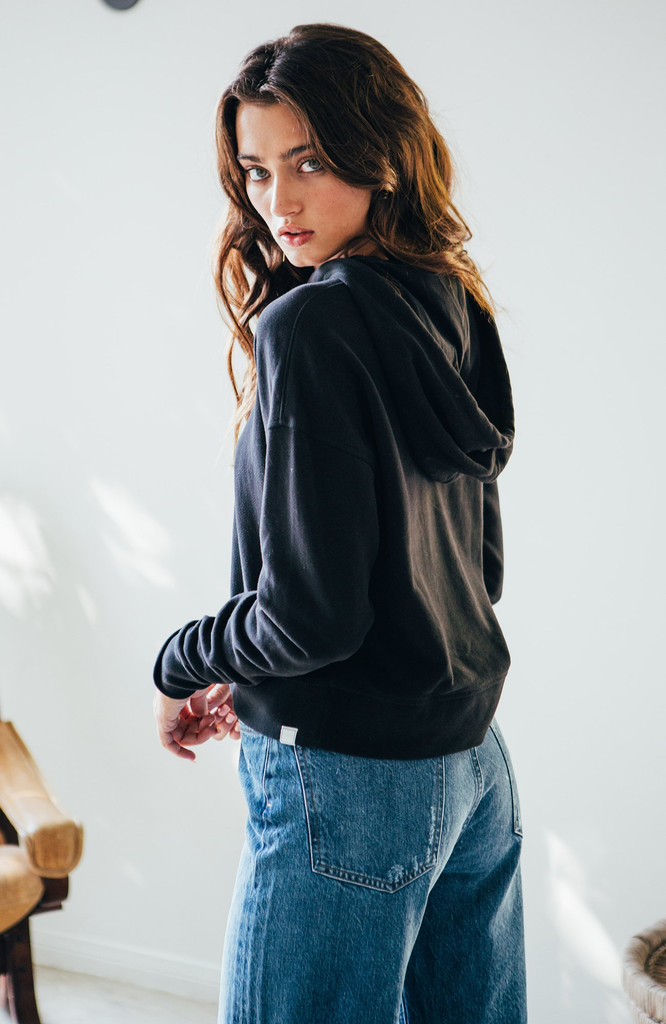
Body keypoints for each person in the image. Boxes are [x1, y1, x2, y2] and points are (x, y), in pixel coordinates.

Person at [152, 21, 527, 1024]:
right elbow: (477, 569)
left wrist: (183, 660)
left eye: (309, 161)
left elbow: (312, 618)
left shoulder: (312, 323)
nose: (278, 201)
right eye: (256, 170)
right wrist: (257, 664)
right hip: (472, 765)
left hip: (347, 779)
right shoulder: (450, 300)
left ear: (381, 154)